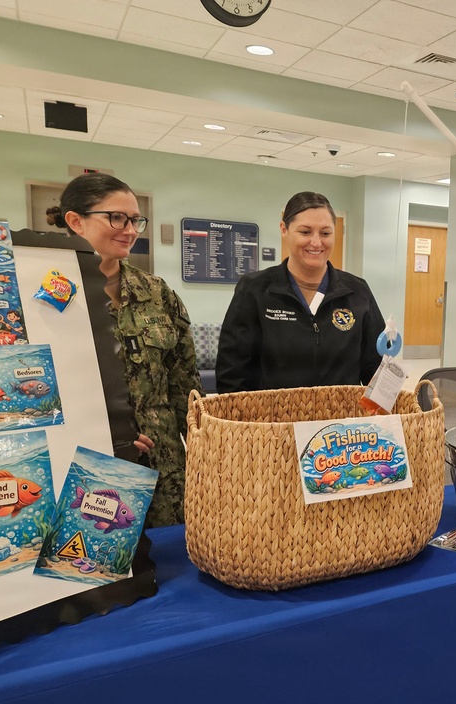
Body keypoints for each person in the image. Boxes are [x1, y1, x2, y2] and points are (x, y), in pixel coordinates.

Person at [51, 173, 201, 527]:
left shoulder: (156, 292)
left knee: (172, 563)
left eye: (135, 220)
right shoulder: (48, 296)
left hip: (166, 471)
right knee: (101, 561)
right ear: (75, 221)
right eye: (117, 217)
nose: (130, 229)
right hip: (91, 462)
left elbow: (185, 384)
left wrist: (204, 451)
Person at [216, 191, 385, 392]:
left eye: (325, 233)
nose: (316, 242)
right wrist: (245, 421)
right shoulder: (255, 290)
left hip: (342, 420)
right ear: (284, 229)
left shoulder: (357, 291)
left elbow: (377, 370)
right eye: (305, 232)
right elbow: (232, 372)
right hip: (273, 420)